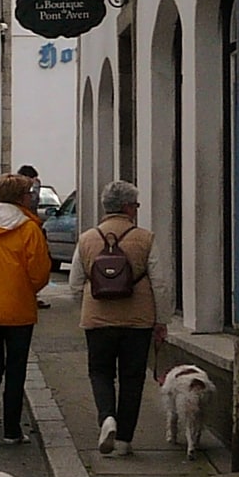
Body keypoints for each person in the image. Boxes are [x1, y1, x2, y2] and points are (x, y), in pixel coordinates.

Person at [75, 179, 157, 457]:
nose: (136, 209)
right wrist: (162, 320)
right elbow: (162, 284)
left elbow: (75, 283)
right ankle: (123, 440)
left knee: (100, 372)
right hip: (138, 321)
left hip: (97, 321)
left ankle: (107, 417)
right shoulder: (146, 238)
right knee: (132, 378)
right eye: (135, 204)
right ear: (126, 207)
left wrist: (89, 302)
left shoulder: (87, 238)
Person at [0, 174, 53, 444]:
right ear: (20, 197)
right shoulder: (29, 228)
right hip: (18, 309)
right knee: (16, 370)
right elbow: (39, 272)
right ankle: (11, 430)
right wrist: (28, 288)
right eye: (29, 193)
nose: (32, 196)